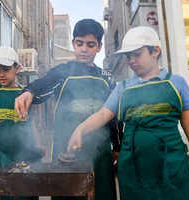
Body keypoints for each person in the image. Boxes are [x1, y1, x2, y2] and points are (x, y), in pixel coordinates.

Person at [67, 26, 189, 200]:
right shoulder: (123, 87)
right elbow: (102, 115)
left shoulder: (176, 82)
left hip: (170, 160)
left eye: (137, 53)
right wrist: (80, 129)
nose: (132, 60)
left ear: (155, 51)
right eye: (128, 56)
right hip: (133, 164)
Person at [15, 19, 118, 200]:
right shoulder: (62, 72)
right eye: (79, 44)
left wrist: (117, 145)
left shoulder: (107, 78)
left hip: (100, 152)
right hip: (66, 150)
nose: (84, 49)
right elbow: (43, 84)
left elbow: (114, 116)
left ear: (100, 47)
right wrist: (28, 92)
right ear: (73, 44)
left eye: (90, 44)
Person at [0, 46, 44, 200]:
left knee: (21, 192)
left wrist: (37, 144)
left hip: (21, 153)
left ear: (17, 68)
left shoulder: (25, 94)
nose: (1, 74)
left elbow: (30, 121)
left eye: (6, 69)